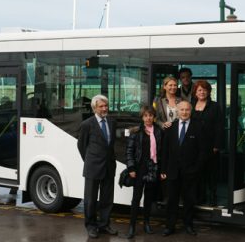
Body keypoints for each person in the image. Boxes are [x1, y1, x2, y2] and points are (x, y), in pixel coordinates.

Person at [161, 101, 206, 236]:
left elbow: (203, 151)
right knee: (172, 200)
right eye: (182, 110)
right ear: (177, 111)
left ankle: (188, 225)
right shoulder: (170, 128)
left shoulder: (198, 127)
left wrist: (196, 168)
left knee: (189, 200)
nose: (185, 112)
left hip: (191, 172)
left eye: (187, 110)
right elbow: (165, 151)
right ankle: (170, 226)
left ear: (190, 111)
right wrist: (163, 170)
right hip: (172, 171)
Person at [77, 94, 118, 239]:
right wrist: (90, 161)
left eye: (106, 105)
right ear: (94, 108)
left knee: (107, 199)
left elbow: (111, 145)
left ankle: (104, 224)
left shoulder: (112, 122)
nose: (104, 108)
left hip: (109, 166)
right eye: (101, 106)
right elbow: (82, 146)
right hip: (93, 167)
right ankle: (91, 226)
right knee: (90, 200)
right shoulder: (87, 124)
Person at [125, 105, 162, 239]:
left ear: (154, 117)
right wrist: (131, 168)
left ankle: (146, 223)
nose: (148, 118)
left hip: (153, 168)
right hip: (139, 168)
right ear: (142, 117)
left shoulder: (158, 131)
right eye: (145, 115)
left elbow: (162, 151)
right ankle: (132, 226)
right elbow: (129, 151)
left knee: (149, 198)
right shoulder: (136, 132)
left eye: (150, 115)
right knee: (136, 198)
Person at [191, 80, 223, 206]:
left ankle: (213, 197)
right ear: (195, 92)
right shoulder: (191, 104)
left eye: (204, 90)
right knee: (198, 172)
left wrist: (217, 145)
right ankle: (200, 197)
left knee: (211, 173)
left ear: (209, 91)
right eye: (199, 90)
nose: (202, 92)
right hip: (194, 145)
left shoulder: (215, 106)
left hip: (210, 145)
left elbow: (219, 127)